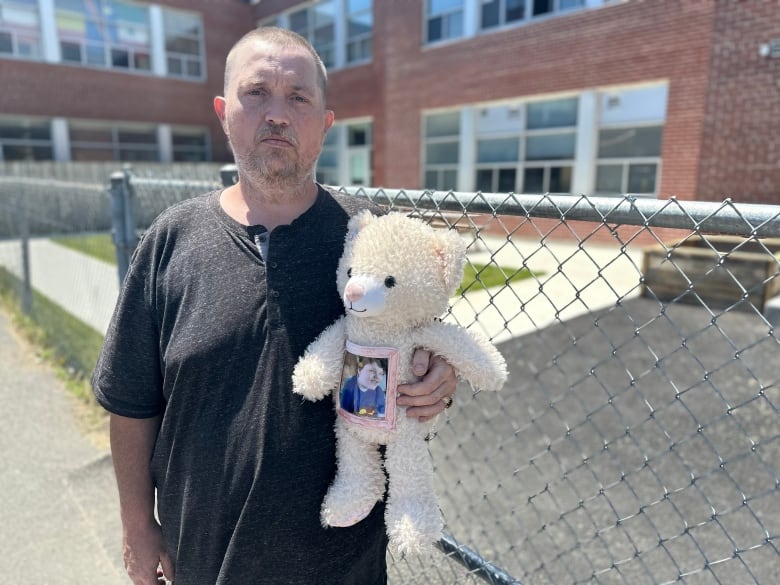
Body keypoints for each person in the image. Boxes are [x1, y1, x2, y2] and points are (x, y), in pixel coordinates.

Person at [92, 26, 456, 585]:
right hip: (203, 560)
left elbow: (421, 338)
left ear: (325, 123)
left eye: (299, 97)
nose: (277, 114)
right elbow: (132, 401)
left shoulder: (367, 239)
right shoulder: (171, 241)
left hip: (341, 564)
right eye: (256, 92)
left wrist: (438, 374)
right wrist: (136, 527)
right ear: (223, 111)